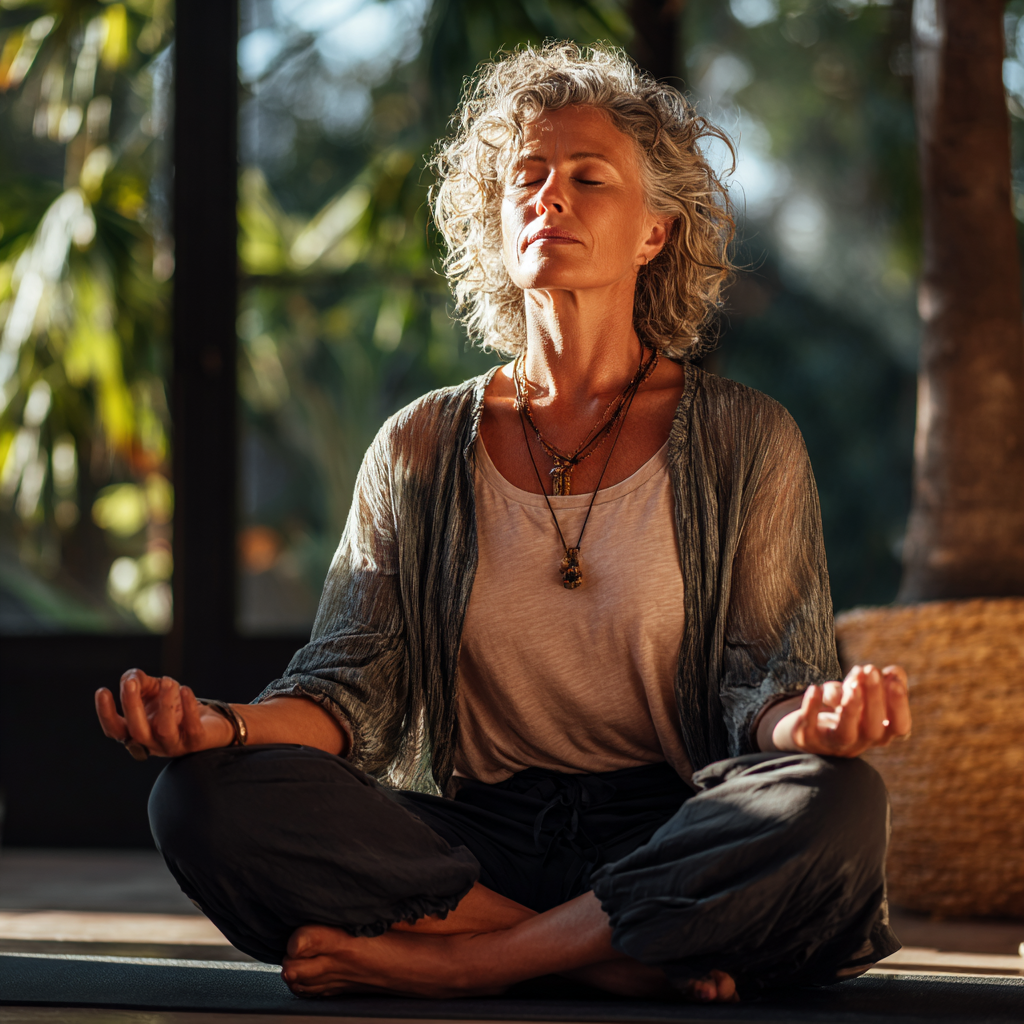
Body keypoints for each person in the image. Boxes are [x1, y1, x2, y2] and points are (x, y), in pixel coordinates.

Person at [95, 42, 911, 1003]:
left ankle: (472, 959)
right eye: (527, 177)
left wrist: (808, 720)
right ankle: (618, 954)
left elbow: (765, 680)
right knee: (198, 800)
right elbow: (350, 686)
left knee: (834, 801)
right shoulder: (420, 445)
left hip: (674, 817)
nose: (549, 197)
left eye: (587, 177)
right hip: (477, 839)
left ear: (655, 232)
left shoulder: (748, 439)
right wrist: (221, 725)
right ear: (498, 217)